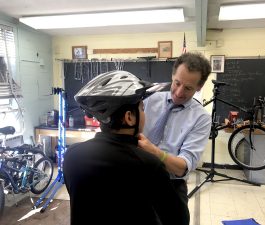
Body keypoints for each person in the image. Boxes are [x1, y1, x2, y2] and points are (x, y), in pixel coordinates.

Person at [63, 70, 189, 225]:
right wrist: (180, 189)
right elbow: (178, 220)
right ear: (129, 117)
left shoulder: (72, 155)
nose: (144, 114)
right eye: (142, 108)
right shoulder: (149, 165)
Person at [138, 52, 212, 204]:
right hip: (138, 178)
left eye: (188, 88)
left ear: (199, 86)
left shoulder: (201, 118)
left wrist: (153, 151)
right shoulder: (148, 100)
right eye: (177, 83)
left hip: (171, 187)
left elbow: (182, 168)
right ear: (172, 75)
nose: (179, 93)